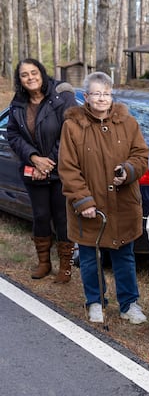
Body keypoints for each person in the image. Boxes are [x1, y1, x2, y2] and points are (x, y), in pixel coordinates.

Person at [58, 71, 149, 325]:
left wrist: (128, 171)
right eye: (96, 93)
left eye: (106, 94)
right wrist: (83, 201)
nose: (101, 98)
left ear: (112, 96)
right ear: (85, 97)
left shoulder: (128, 123)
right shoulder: (72, 127)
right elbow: (67, 168)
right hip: (90, 206)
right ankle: (95, 301)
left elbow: (141, 156)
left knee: (125, 256)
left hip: (123, 205)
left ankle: (129, 304)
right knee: (89, 258)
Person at [7, 58, 77, 283]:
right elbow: (13, 135)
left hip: (61, 170)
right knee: (40, 216)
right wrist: (35, 158)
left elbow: (70, 132)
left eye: (34, 72)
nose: (30, 78)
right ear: (20, 80)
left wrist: (49, 163)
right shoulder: (18, 103)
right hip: (32, 169)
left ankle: (65, 266)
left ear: (42, 72)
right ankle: (44, 263)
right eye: (24, 74)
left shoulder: (61, 97)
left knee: (62, 218)